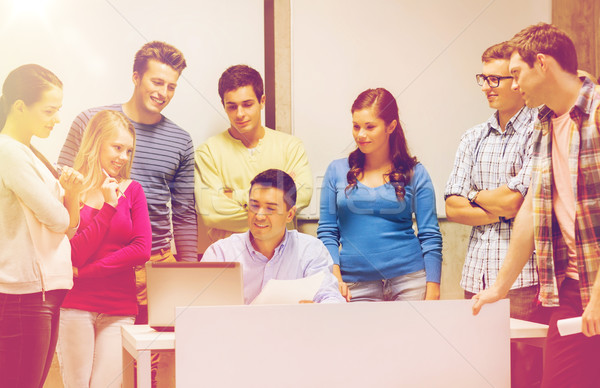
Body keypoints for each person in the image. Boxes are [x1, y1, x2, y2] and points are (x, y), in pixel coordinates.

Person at [472, 23, 600, 388]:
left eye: (516, 74)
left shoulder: (596, 115)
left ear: (541, 63)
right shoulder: (544, 124)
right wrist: (500, 287)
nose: (514, 85)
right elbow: (532, 209)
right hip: (574, 288)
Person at [57, 41, 197, 325]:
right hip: (90, 257)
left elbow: (184, 214)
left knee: (155, 357)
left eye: (171, 87)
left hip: (154, 261)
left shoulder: (181, 140)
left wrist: (189, 273)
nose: (163, 93)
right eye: (157, 82)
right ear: (136, 77)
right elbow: (62, 188)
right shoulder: (91, 121)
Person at [445, 41, 546, 388]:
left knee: (524, 373)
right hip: (475, 275)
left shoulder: (540, 129)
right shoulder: (472, 137)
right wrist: (493, 203)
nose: (487, 87)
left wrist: (474, 195)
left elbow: (517, 204)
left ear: (516, 82)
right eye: (483, 78)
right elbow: (452, 208)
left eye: (497, 79)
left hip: (522, 278)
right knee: (477, 370)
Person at [0, 64, 83, 388]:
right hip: (24, 294)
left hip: (42, 293)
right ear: (20, 106)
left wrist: (72, 195)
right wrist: (65, 209)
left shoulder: (30, 153)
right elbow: (59, 219)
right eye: (50, 110)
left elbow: (70, 227)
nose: (57, 118)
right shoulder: (8, 151)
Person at [318, 88, 442, 302]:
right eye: (356, 126)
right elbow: (327, 232)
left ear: (391, 126)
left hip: (409, 281)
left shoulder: (415, 172)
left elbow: (430, 235)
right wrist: (334, 277)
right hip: (353, 284)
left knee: (411, 337)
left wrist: (433, 289)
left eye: (370, 127)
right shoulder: (336, 171)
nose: (360, 134)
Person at [56, 110, 152, 388]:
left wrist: (83, 273)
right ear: (96, 142)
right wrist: (109, 207)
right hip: (75, 305)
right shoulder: (72, 190)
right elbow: (72, 253)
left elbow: (141, 250)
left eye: (128, 150)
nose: (123, 157)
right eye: (117, 147)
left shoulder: (133, 190)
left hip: (119, 306)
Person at [195, 65, 312, 244]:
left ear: (262, 101)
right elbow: (210, 212)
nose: (240, 114)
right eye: (232, 106)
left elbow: (303, 195)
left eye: (247, 104)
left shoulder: (291, 147)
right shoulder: (208, 152)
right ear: (223, 106)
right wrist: (274, 202)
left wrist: (234, 196)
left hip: (283, 257)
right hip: (231, 259)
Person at [203, 169, 344, 304]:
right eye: (254, 206)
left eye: (270, 208)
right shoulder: (220, 253)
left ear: (290, 214)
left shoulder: (310, 250)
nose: (259, 216)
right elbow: (200, 306)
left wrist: (317, 309)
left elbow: (331, 298)